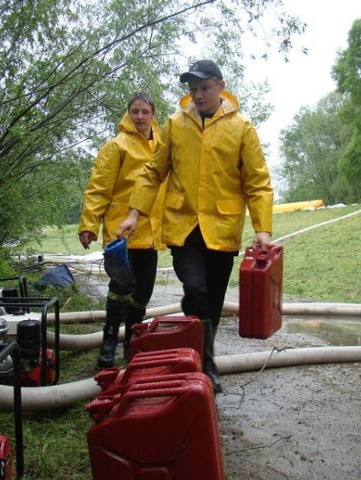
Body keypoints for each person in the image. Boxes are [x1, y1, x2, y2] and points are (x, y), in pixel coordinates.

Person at [117, 60, 274, 393]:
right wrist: (134, 212)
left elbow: (257, 182)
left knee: (213, 298)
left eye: (204, 88)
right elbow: (152, 172)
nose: (198, 95)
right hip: (184, 226)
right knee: (196, 289)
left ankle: (200, 355)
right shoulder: (176, 125)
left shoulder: (241, 127)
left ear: (220, 86)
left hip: (222, 228)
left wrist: (263, 229)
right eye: (192, 89)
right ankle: (206, 364)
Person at [78, 92, 166, 368]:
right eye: (135, 111)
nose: (140, 116)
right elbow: (98, 188)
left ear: (153, 113)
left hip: (151, 234)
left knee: (143, 293)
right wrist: (89, 224)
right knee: (121, 288)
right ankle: (107, 344)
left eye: (144, 111)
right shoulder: (115, 147)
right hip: (121, 234)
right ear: (128, 114)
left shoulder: (163, 145)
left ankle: (132, 343)